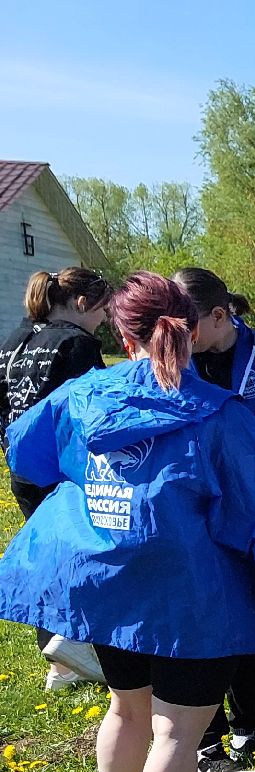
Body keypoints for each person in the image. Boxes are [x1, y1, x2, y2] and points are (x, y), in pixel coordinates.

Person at [0, 271, 255, 772]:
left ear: (121, 330)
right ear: (190, 329)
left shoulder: (83, 396)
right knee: (177, 732)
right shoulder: (221, 414)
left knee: (126, 709)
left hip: (110, 590)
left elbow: (25, 452)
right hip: (194, 597)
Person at [173, 267, 255, 771]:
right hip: (197, 516)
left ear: (220, 316)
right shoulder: (171, 362)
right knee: (200, 624)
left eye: (185, 326)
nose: (174, 338)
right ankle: (207, 735)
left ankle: (249, 725)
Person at [1, 266, 111, 690]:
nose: (103, 320)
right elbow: (96, 409)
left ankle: (60, 663)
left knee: (46, 558)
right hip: (65, 471)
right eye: (102, 310)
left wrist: (13, 454)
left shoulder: (14, 340)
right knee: (81, 557)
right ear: (82, 304)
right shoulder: (77, 344)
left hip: (23, 467)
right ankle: (72, 643)